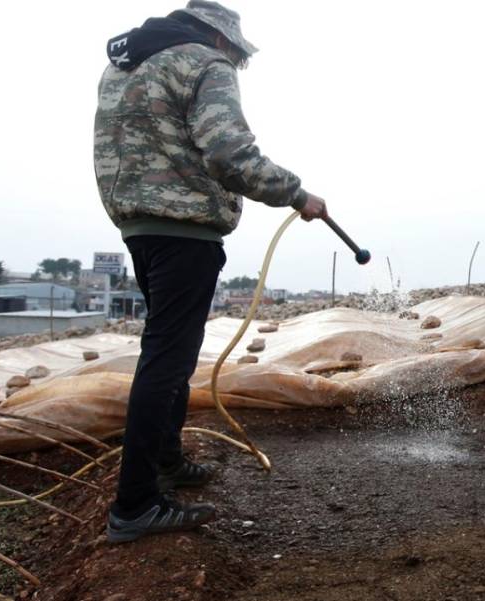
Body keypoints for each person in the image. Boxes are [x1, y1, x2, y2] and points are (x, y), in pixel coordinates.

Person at [93, 1, 329, 543]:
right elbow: (228, 154)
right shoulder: (204, 62)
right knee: (166, 358)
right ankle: (134, 506)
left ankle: (168, 460)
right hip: (184, 229)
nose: (235, 62)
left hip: (141, 226)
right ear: (221, 39)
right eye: (236, 53)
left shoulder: (126, 65)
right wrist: (297, 194)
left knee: (170, 352)